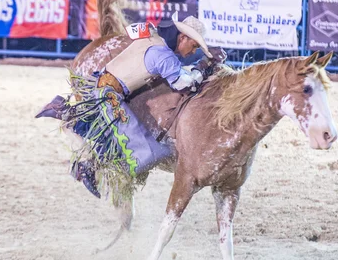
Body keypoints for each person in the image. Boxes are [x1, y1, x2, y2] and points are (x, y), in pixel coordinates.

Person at [36, 12, 226, 198]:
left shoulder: (154, 40)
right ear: (183, 38)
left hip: (104, 87)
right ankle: (70, 123)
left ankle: (70, 123)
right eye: (193, 46)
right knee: (142, 149)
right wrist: (203, 64)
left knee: (118, 135)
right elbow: (184, 84)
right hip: (110, 95)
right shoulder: (164, 56)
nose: (193, 51)